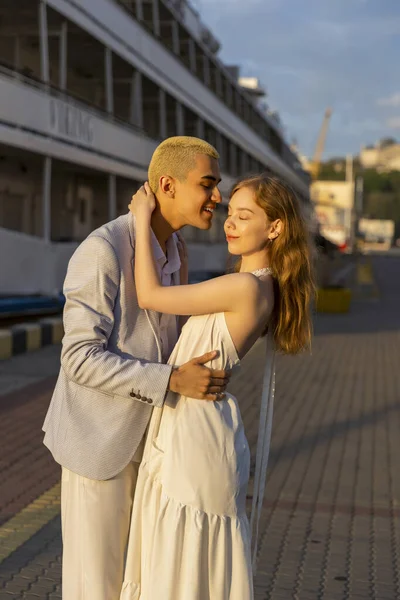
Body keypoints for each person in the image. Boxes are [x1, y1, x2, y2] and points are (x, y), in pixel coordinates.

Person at [42, 136, 233, 600]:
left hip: (154, 450)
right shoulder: (103, 249)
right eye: (207, 184)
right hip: (101, 447)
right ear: (167, 185)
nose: (218, 197)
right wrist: (171, 380)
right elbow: (78, 358)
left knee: (137, 585)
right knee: (96, 588)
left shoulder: (178, 252)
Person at [120, 175, 315, 600]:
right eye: (230, 213)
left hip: (196, 432)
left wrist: (140, 218)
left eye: (244, 217)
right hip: (201, 425)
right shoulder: (257, 285)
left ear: (275, 228)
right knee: (191, 565)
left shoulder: (244, 287)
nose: (231, 223)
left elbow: (149, 295)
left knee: (179, 564)